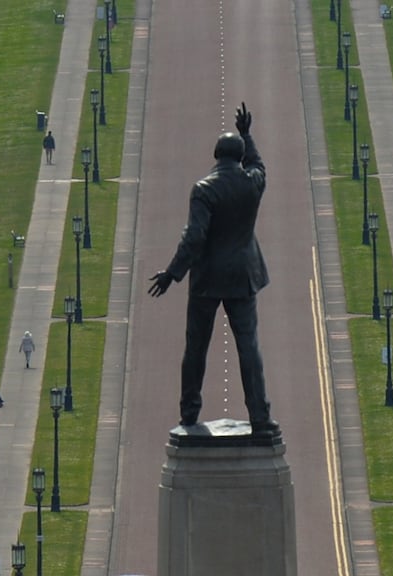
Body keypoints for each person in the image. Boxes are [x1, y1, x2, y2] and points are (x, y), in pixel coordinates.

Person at [148, 102, 278, 435]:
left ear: (215, 156)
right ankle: (260, 416)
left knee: (196, 348)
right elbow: (259, 165)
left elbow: (194, 239)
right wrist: (248, 134)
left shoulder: (204, 189)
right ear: (238, 157)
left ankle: (189, 413)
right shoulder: (252, 183)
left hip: (207, 277)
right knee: (249, 347)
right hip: (243, 275)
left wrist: (172, 273)